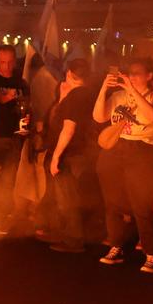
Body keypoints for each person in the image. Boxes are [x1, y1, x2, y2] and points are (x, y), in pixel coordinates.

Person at [92, 58, 153, 272]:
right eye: (130, 73)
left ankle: (151, 252)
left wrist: (133, 90)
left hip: (140, 150)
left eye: (138, 73)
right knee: (112, 202)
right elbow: (98, 116)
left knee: (140, 204)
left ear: (149, 76)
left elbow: (151, 117)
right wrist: (104, 88)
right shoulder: (118, 96)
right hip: (115, 149)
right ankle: (116, 246)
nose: (132, 77)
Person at [44, 58, 93, 253]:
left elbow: (68, 128)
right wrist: (63, 97)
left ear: (70, 74)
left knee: (68, 198)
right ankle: (66, 233)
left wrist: (56, 156)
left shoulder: (76, 96)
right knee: (72, 196)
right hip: (83, 153)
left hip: (71, 154)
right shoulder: (89, 93)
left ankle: (73, 240)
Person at [0, 46, 29, 234]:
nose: (7, 65)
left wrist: (28, 119)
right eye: (3, 62)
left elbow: (28, 104)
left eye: (11, 61)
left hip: (15, 136)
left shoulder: (21, 81)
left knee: (8, 179)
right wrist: (0, 97)